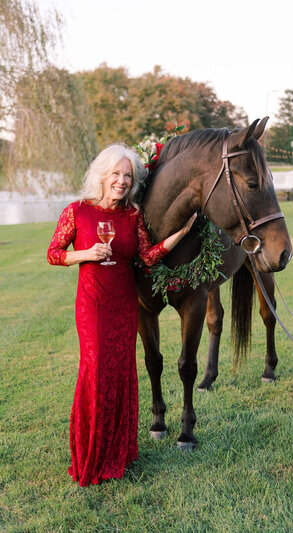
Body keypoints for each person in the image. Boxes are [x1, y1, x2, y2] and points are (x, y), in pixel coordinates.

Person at [47, 143, 195, 487]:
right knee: (97, 372)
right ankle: (91, 454)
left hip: (124, 307)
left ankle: (118, 453)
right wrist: (84, 254)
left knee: (122, 373)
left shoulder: (131, 216)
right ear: (102, 175)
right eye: (116, 173)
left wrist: (181, 234)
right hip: (93, 306)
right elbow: (54, 253)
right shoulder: (77, 211)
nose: (122, 181)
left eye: (128, 176)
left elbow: (146, 256)